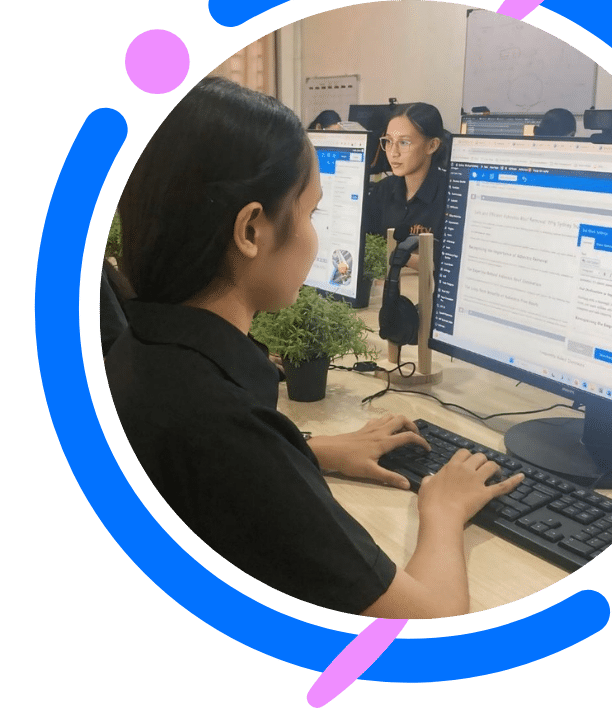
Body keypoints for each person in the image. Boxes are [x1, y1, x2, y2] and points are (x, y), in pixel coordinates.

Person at [104, 77, 522, 619]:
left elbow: (207, 472)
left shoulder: (140, 348)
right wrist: (442, 507)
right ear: (252, 230)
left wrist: (310, 449)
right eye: (311, 213)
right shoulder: (221, 426)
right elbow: (430, 623)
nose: (316, 236)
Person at [364, 102, 450, 271]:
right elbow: (365, 243)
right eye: (388, 141)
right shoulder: (382, 191)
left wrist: (399, 257)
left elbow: (449, 264)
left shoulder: (450, 197)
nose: (393, 152)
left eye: (404, 143)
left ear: (432, 145)